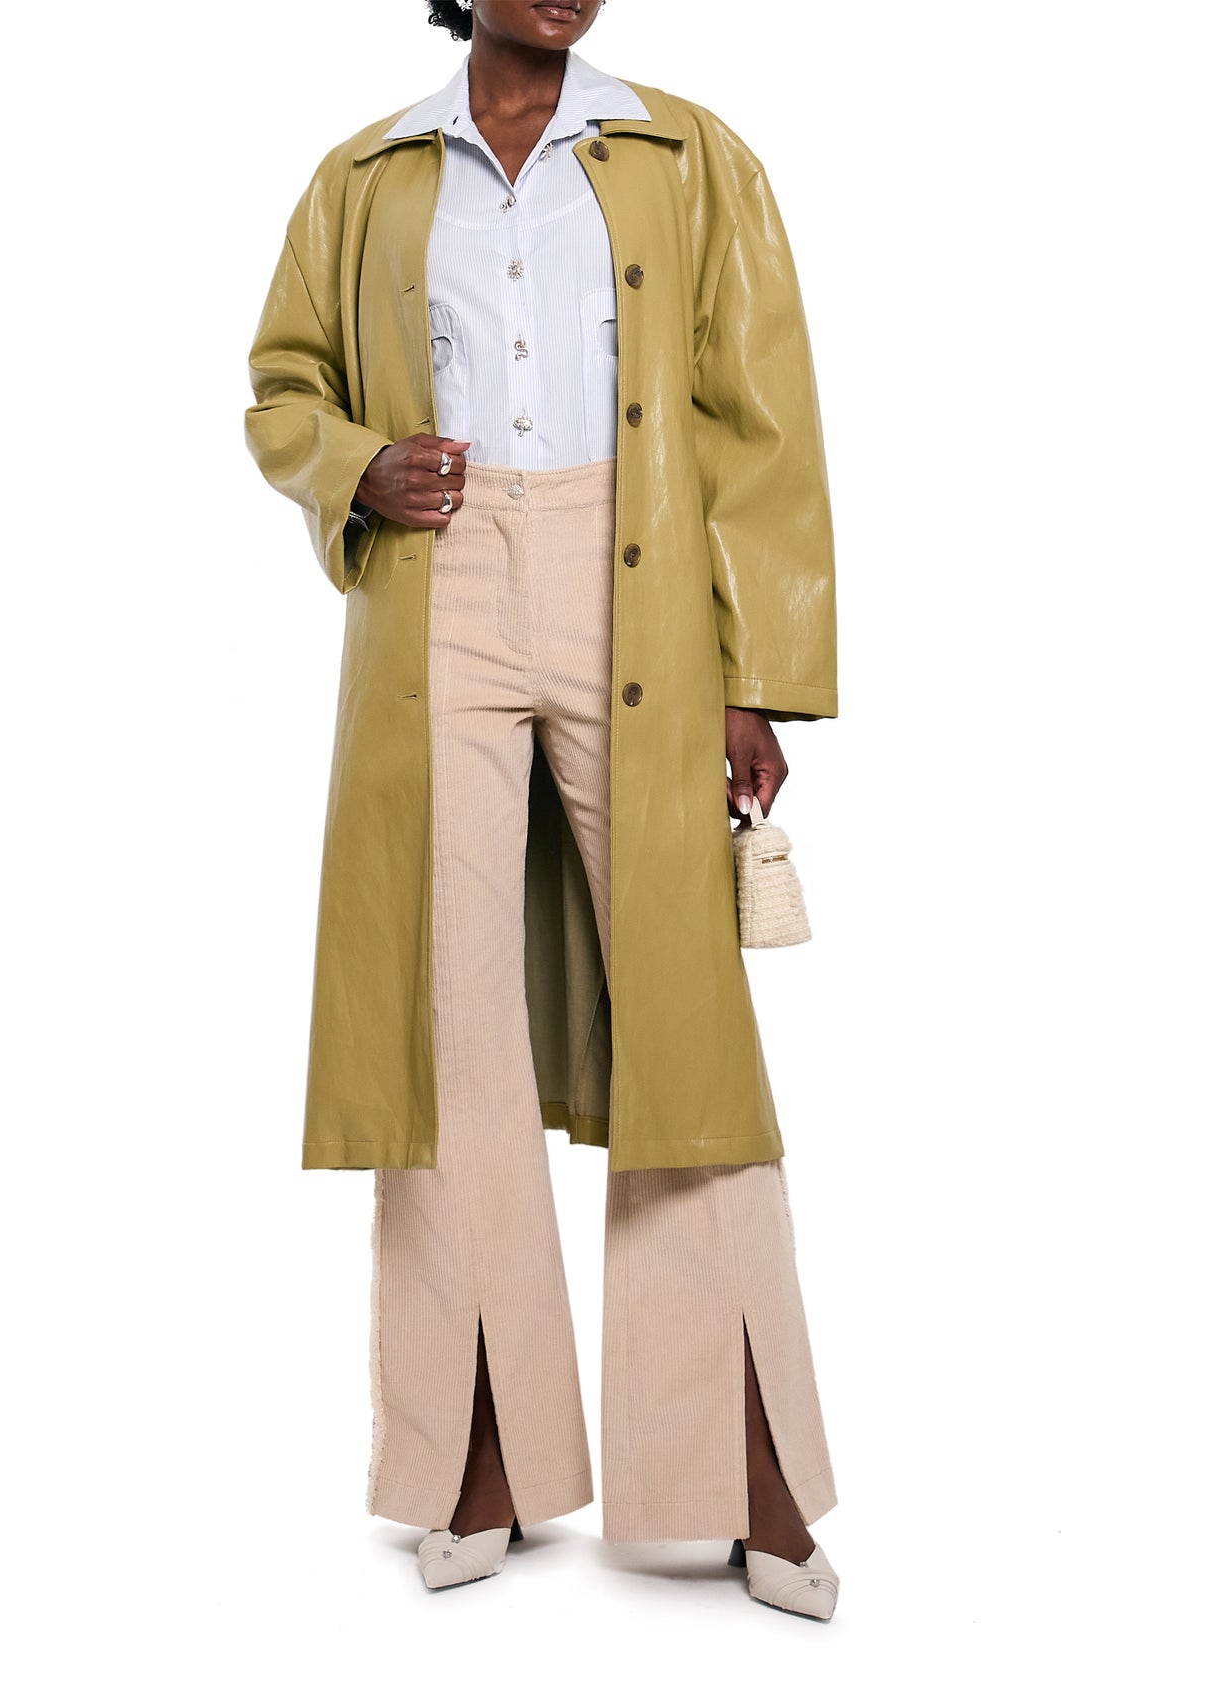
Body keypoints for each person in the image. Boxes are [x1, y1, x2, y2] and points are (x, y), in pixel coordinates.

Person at [244, 0, 840, 1620]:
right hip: (435, 586)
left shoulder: (688, 155)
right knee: (443, 1019)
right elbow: (281, 385)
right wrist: (358, 464)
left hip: (629, 574)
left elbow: (760, 421)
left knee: (683, 1021)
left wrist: (754, 675)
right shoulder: (364, 177)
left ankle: (743, 1466)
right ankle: (476, 1455)